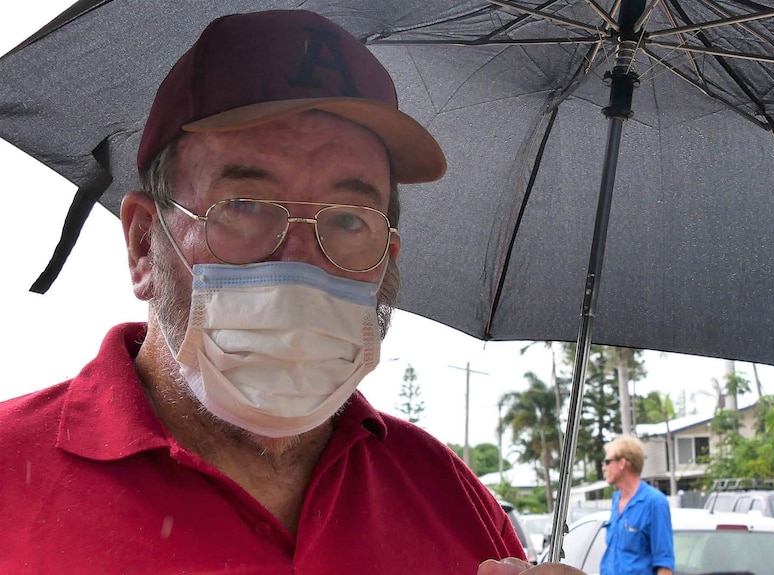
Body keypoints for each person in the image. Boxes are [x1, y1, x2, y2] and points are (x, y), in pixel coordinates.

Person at [0, 9, 582, 575]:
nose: (301, 260)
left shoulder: (450, 498)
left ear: (388, 259)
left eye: (350, 220)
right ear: (143, 245)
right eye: (246, 205)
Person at [600, 436, 675, 575]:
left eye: (607, 462)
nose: (604, 468)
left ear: (622, 463)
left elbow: (664, 564)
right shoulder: (616, 500)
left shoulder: (654, 502)